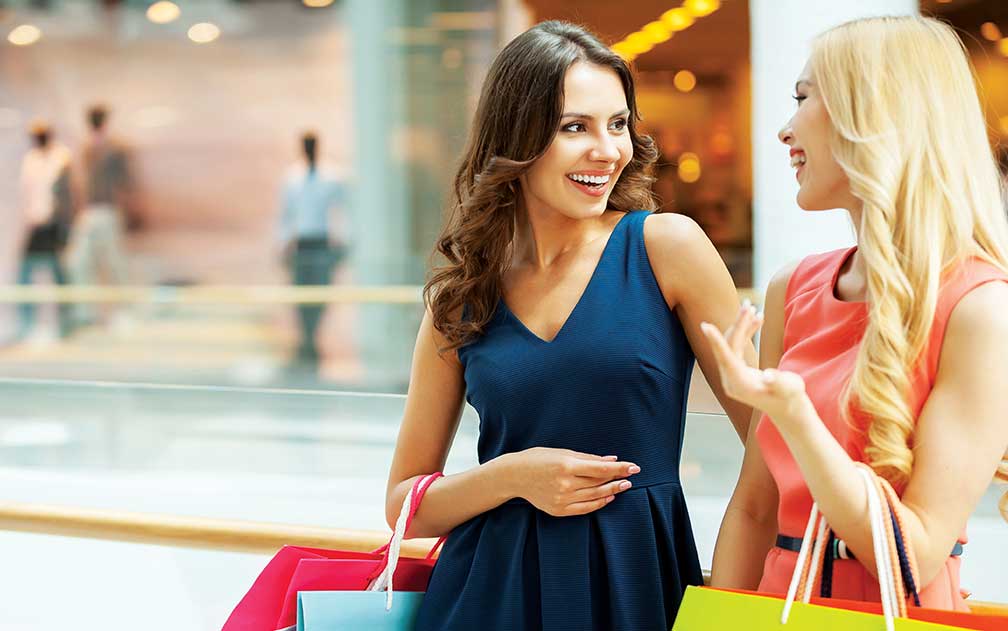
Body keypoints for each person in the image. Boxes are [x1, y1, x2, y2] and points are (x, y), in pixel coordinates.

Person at [385, 21, 754, 630]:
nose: (607, 150)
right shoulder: (462, 295)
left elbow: (772, 458)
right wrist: (512, 475)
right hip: (485, 597)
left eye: (618, 124)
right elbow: (404, 507)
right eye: (573, 128)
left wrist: (734, 608)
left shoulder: (666, 247)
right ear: (518, 137)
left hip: (636, 587)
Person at [703, 16, 1008, 610]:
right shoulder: (794, 287)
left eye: (802, 98)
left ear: (872, 115)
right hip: (774, 610)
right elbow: (753, 506)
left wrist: (794, 416)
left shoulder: (980, 307)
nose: (784, 130)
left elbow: (911, 560)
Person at [277, 131, 347, 366]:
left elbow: (344, 211)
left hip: (322, 243)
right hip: (301, 245)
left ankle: (312, 339)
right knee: (301, 294)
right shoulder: (292, 178)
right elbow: (286, 215)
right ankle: (306, 341)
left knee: (320, 292)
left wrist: (343, 241)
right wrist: (282, 244)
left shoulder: (331, 177)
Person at [66, 104, 133, 326]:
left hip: (108, 210)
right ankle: (86, 312)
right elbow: (81, 183)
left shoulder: (116, 149)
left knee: (114, 262)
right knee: (78, 261)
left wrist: (125, 210)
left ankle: (124, 312)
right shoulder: (85, 148)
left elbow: (126, 182)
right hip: (89, 211)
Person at [17, 119, 73, 339]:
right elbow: (28, 192)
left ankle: (65, 323)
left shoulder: (61, 157)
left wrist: (65, 226)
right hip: (35, 224)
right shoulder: (30, 159)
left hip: (54, 224)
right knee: (26, 273)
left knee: (59, 272)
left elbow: (66, 194)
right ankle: (28, 323)